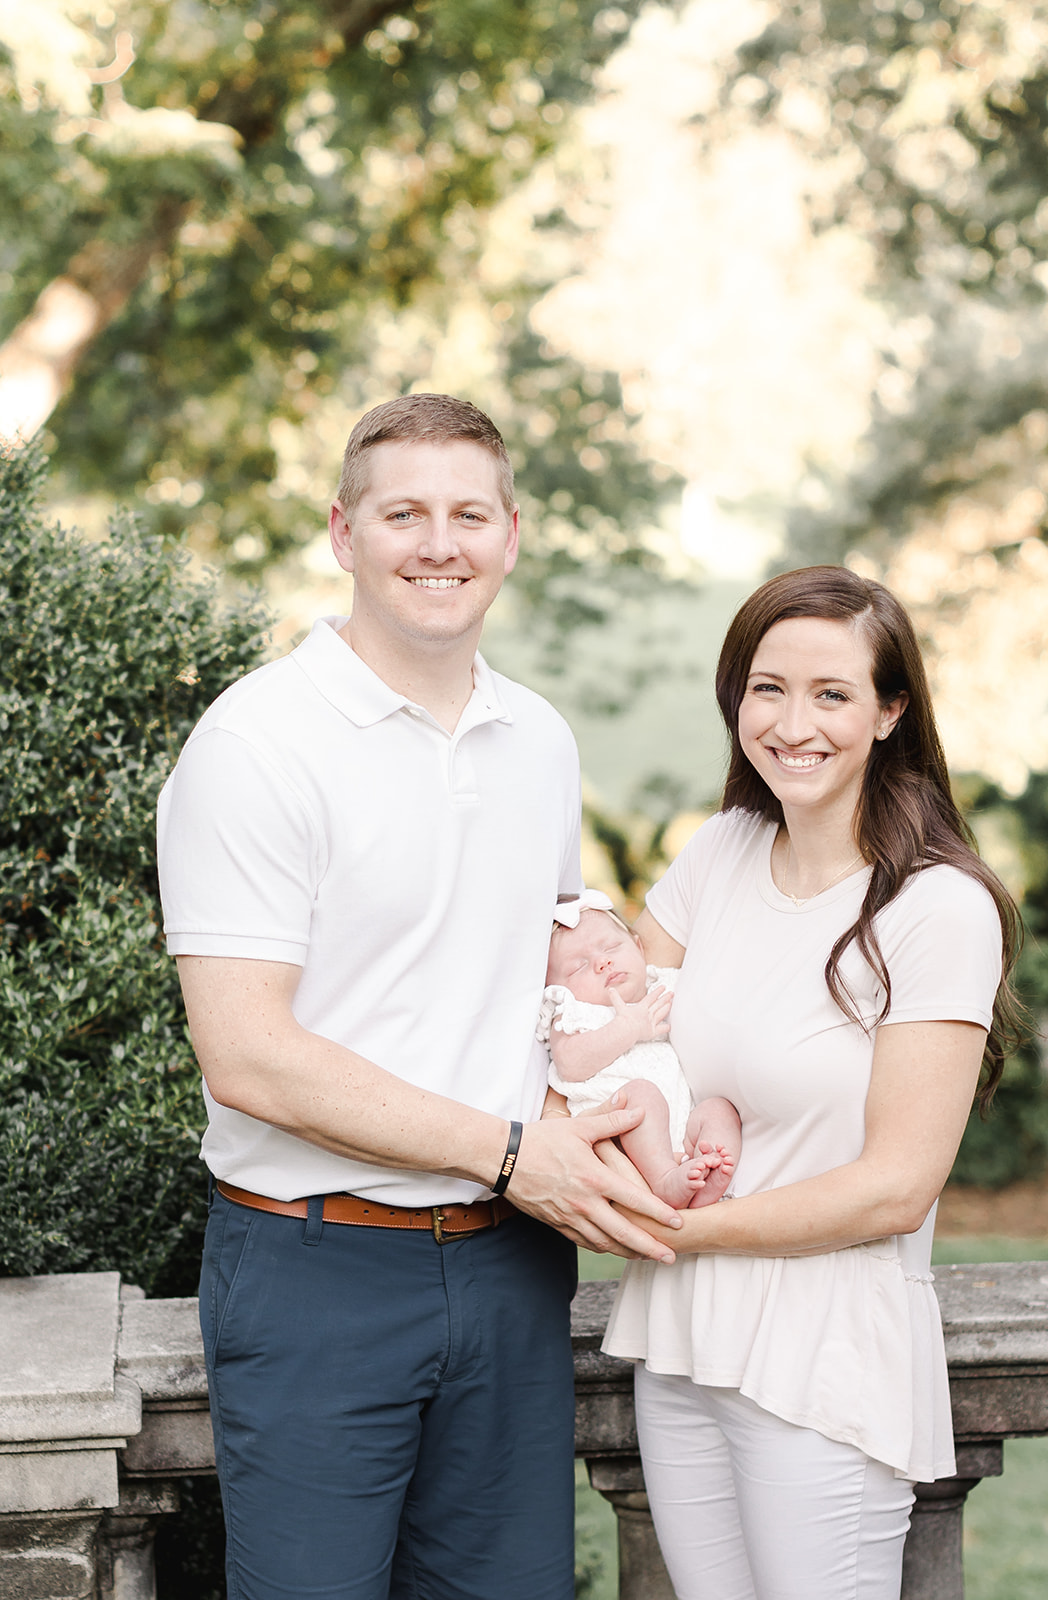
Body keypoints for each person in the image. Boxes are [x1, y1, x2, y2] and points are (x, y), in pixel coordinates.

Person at [155, 393, 681, 1600]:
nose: (438, 543)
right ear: (344, 532)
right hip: (314, 1264)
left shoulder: (538, 740)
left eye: (467, 513)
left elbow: (546, 985)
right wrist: (511, 1150)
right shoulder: (256, 744)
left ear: (510, 534)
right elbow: (247, 1056)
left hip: (511, 1264)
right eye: (404, 513)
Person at [601, 566, 1025, 1600]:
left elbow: (896, 1187)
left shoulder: (938, 910)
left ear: (891, 711)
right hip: (683, 1332)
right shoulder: (720, 851)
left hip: (824, 1351)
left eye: (832, 693)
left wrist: (674, 1226)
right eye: (767, 687)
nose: (795, 723)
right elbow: (618, 1041)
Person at [540, 891, 741, 1208]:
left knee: (719, 1109)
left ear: (638, 945)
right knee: (641, 1094)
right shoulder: (573, 1013)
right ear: (555, 987)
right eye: (579, 967)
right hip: (625, 1140)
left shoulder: (661, 986)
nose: (602, 962)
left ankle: (710, 1169)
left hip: (680, 1123)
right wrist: (627, 1028)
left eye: (611, 947)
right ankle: (664, 1182)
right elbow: (570, 1064)